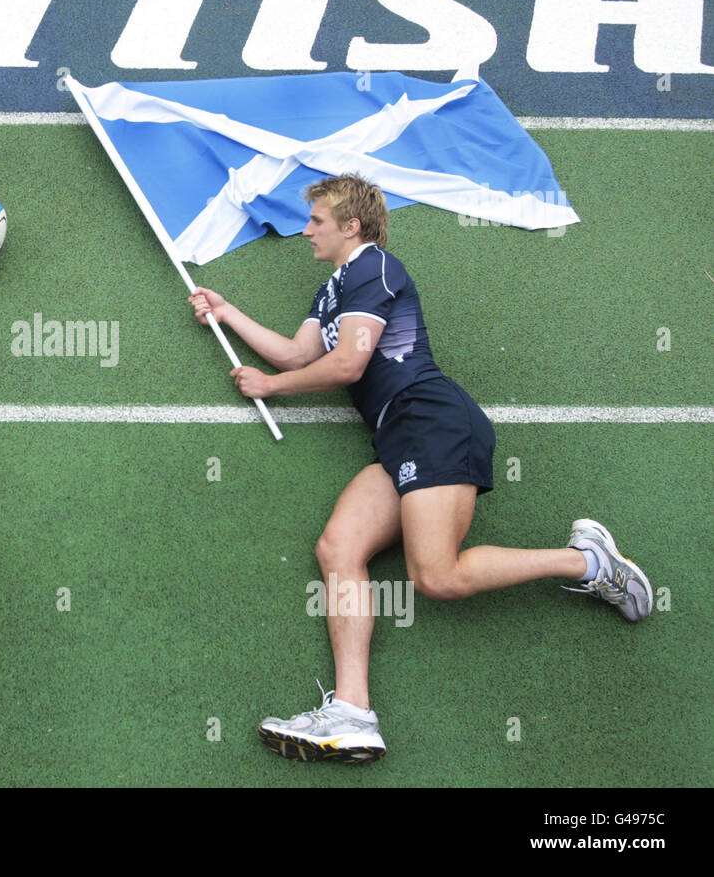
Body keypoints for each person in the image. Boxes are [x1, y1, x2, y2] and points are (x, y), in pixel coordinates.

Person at [189, 173, 652, 763]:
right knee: (339, 548)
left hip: (431, 423)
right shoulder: (333, 290)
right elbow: (299, 353)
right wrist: (228, 314)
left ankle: (590, 561)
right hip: (397, 437)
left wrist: (272, 389)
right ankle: (352, 712)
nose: (306, 231)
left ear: (350, 226)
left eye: (316, 221)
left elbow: (350, 365)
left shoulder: (375, 268)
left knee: (436, 577)